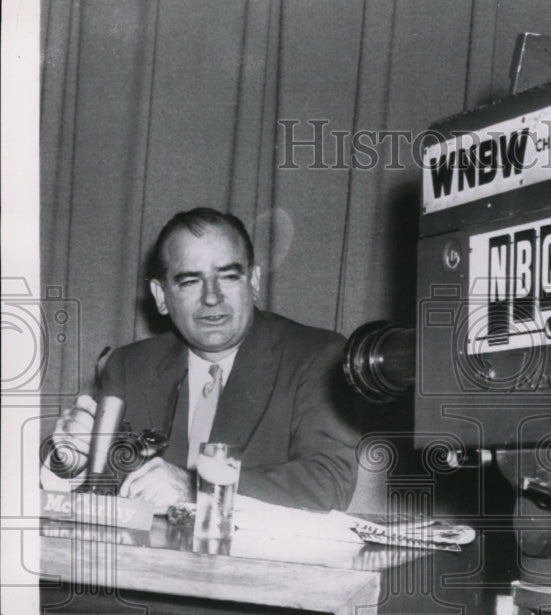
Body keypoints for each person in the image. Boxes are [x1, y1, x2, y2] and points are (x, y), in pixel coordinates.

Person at [44, 208, 359, 512]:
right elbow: (103, 492)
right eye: (190, 281)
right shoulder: (128, 367)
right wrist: (71, 460)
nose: (212, 297)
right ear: (161, 297)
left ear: (254, 282)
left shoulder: (318, 356)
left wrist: (196, 489)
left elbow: (327, 485)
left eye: (229, 276)